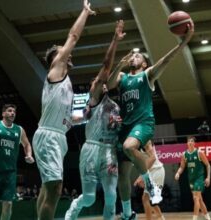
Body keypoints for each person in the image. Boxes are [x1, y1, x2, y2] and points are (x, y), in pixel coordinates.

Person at [107, 17, 194, 220]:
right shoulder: (123, 78)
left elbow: (166, 61)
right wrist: (120, 63)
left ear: (144, 62)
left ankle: (151, 185)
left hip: (143, 123)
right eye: (133, 56)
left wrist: (183, 42)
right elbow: (110, 83)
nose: (134, 57)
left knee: (129, 147)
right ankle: (128, 212)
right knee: (122, 175)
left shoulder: (147, 75)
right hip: (125, 126)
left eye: (138, 56)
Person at [32, 1, 95, 219]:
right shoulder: (56, 70)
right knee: (55, 188)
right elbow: (74, 36)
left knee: (47, 188)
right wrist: (85, 12)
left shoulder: (66, 83)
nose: (69, 53)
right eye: (63, 52)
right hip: (48, 136)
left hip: (58, 137)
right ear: (56, 59)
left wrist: (87, 115)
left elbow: (70, 119)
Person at [64, 20, 125, 220]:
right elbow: (106, 68)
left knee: (111, 195)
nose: (100, 84)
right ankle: (72, 212)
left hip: (109, 151)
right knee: (89, 198)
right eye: (96, 82)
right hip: (91, 149)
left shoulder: (116, 106)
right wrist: (115, 40)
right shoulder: (95, 99)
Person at [174, 136, 211, 220]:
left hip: (199, 178)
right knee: (200, 200)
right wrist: (178, 173)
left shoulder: (199, 152)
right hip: (191, 179)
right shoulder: (184, 154)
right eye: (188, 141)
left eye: (191, 141)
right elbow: (182, 167)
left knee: (196, 198)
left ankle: (194, 218)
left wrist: (208, 177)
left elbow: (208, 165)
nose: (190, 142)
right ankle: (208, 218)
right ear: (187, 143)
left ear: (194, 143)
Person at [133, 141, 165, 220]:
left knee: (145, 198)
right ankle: (161, 218)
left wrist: (141, 176)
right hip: (151, 172)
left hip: (157, 171)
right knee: (151, 200)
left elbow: (153, 158)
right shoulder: (136, 143)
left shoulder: (146, 141)